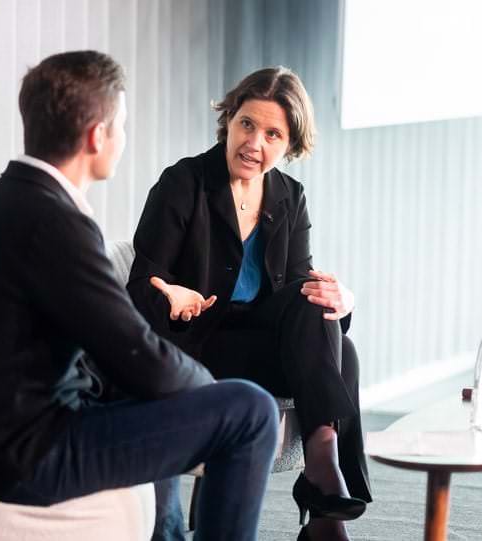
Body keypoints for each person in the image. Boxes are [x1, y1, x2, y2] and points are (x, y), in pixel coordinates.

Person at [0, 50, 279, 541]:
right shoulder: (55, 223)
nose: (123, 139)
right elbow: (139, 355)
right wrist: (211, 396)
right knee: (251, 412)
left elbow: (109, 346)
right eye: (122, 127)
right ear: (97, 136)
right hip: (23, 455)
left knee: (150, 393)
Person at [127, 66, 372, 541]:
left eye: (272, 133)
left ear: (290, 143)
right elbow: (140, 284)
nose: (254, 142)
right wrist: (169, 293)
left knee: (319, 303)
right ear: (230, 120)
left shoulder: (290, 196)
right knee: (348, 358)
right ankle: (326, 507)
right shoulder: (185, 183)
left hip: (262, 346)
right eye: (246, 124)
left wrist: (345, 302)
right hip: (200, 344)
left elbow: (303, 299)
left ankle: (323, 471)